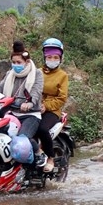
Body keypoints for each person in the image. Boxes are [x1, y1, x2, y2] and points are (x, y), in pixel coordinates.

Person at [0, 41, 43, 141]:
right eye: (13, 62)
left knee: (22, 141)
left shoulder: (37, 74)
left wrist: (29, 103)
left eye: (19, 62)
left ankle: (39, 153)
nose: (15, 65)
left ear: (27, 62)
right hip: (11, 112)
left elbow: (36, 91)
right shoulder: (10, 73)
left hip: (30, 114)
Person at [35, 37, 69, 173]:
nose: (52, 60)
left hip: (52, 111)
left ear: (60, 58)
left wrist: (46, 106)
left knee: (42, 129)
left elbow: (62, 98)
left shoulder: (62, 75)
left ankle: (49, 157)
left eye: (56, 57)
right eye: (49, 57)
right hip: (33, 107)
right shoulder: (36, 72)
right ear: (44, 57)